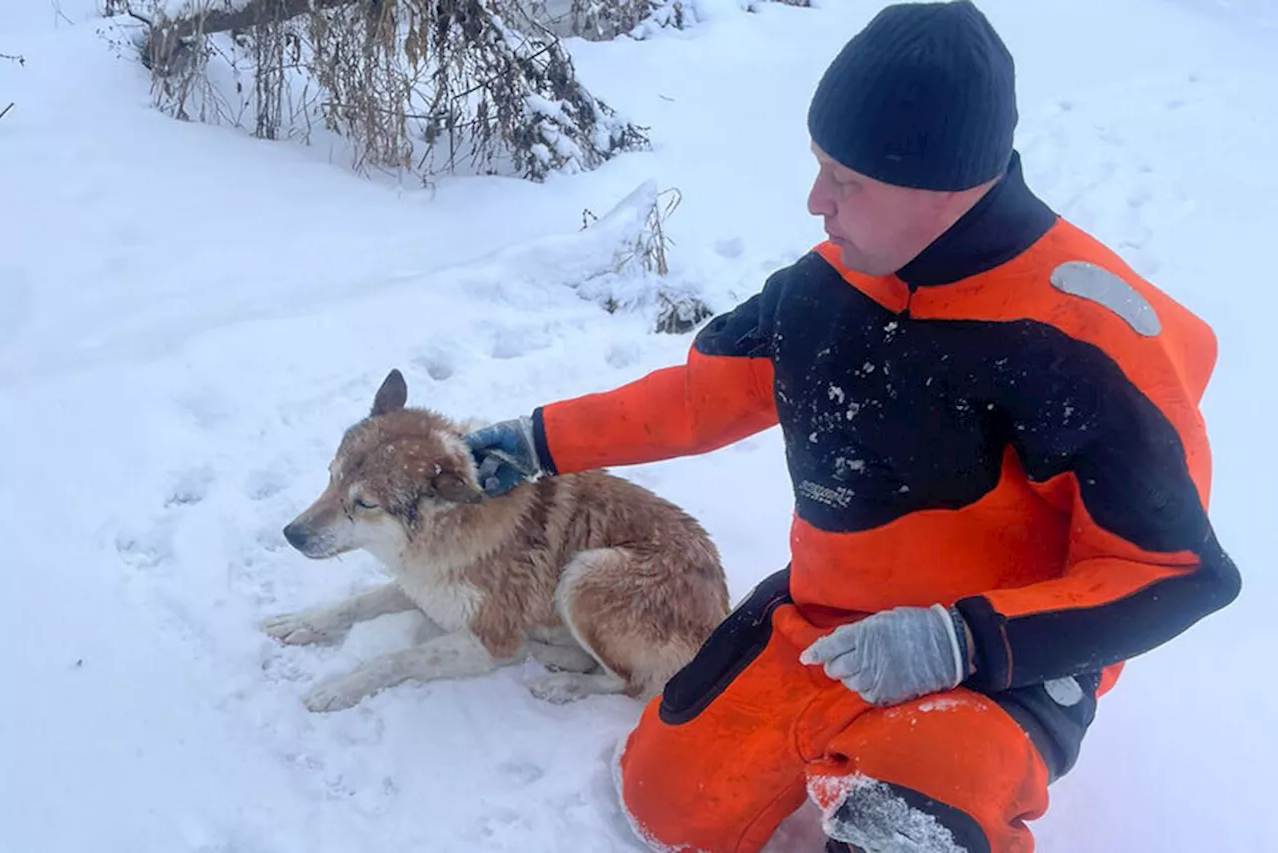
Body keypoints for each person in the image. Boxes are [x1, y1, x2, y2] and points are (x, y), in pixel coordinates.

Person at [463, 2, 1241, 850]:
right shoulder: (823, 292)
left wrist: (962, 639)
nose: (814, 202)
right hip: (830, 620)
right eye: (818, 167)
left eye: (848, 181)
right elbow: (694, 400)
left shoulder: (1086, 339)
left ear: (947, 187)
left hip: (1001, 662)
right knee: (668, 805)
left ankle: (937, 775)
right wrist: (539, 441)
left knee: (905, 825)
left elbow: (1173, 571)